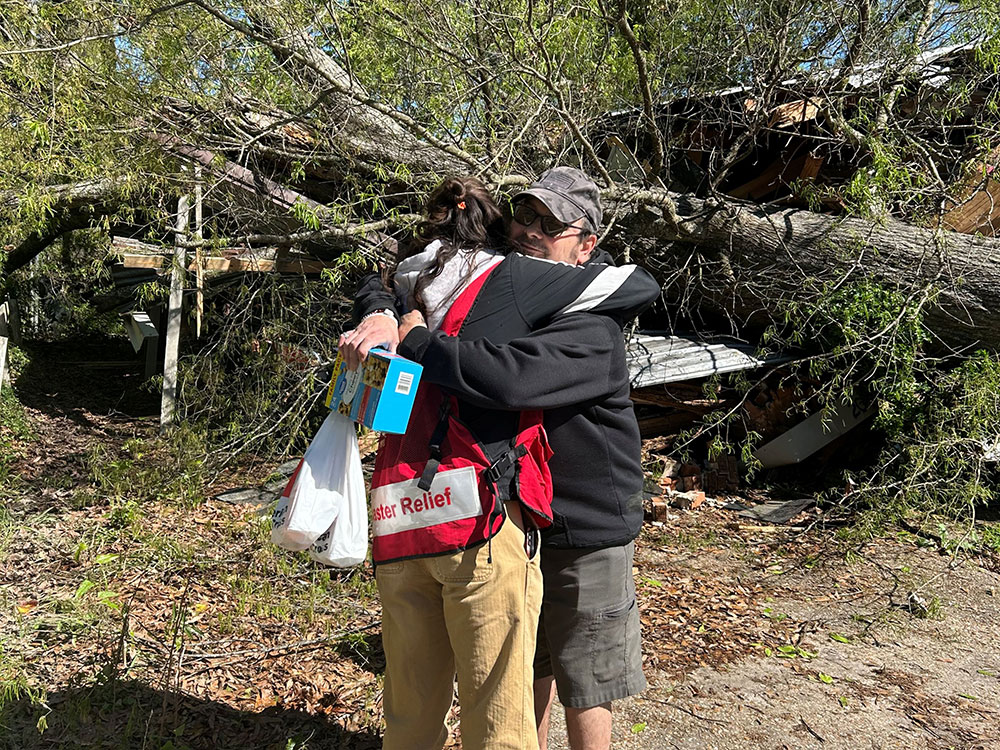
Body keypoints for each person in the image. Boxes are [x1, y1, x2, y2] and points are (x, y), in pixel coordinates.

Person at [339, 172, 657, 750]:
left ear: (586, 244)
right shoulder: (496, 287)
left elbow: (510, 379)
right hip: (511, 510)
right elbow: (399, 273)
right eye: (524, 216)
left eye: (551, 224)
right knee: (522, 667)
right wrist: (381, 310)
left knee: (588, 674)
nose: (531, 231)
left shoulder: (590, 320)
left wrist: (417, 343)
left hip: (585, 520)